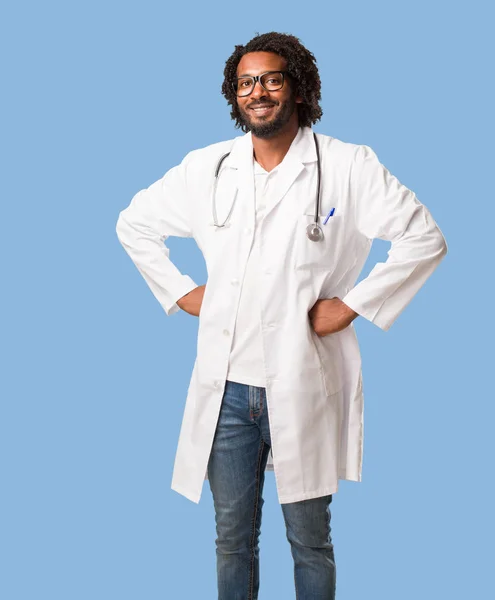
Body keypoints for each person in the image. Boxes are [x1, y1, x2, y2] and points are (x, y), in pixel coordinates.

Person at [115, 31, 447, 600]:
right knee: (230, 539)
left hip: (302, 379)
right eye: (246, 82)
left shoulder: (346, 165)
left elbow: (424, 238)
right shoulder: (208, 167)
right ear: (234, 94)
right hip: (227, 391)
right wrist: (185, 293)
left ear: (297, 85)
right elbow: (133, 223)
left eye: (271, 78)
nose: (258, 92)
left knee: (309, 540)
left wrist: (352, 306)